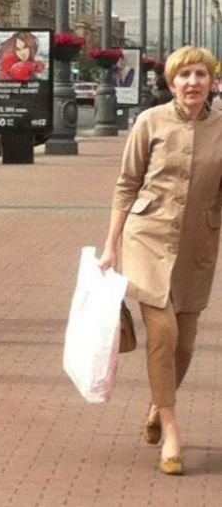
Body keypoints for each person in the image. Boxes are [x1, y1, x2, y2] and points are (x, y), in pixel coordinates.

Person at [97, 46, 222, 476]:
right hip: (147, 235)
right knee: (163, 332)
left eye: (200, 74)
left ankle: (156, 405)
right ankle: (171, 430)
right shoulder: (150, 122)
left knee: (185, 343)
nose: (192, 82)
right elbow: (126, 184)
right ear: (172, 83)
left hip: (197, 244)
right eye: (184, 75)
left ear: (212, 82)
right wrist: (111, 245)